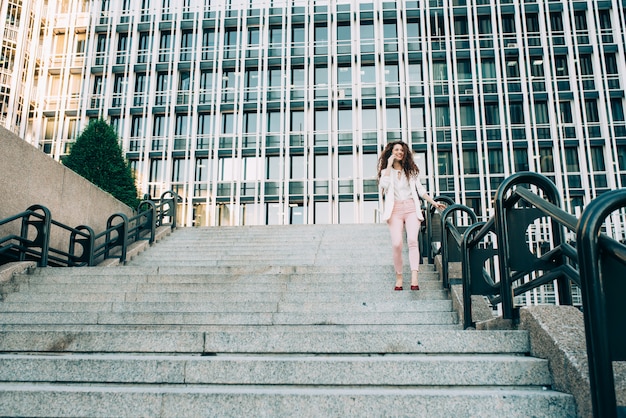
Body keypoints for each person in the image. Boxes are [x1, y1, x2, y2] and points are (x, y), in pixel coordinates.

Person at [377, 141, 446, 291]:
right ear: (391, 152)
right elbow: (384, 186)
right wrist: (388, 165)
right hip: (394, 210)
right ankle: (399, 277)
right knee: (397, 244)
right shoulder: (385, 172)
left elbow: (421, 190)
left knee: (413, 240)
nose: (400, 152)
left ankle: (414, 277)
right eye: (396, 150)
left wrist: (434, 203)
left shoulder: (412, 171)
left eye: (402, 150)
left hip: (411, 209)